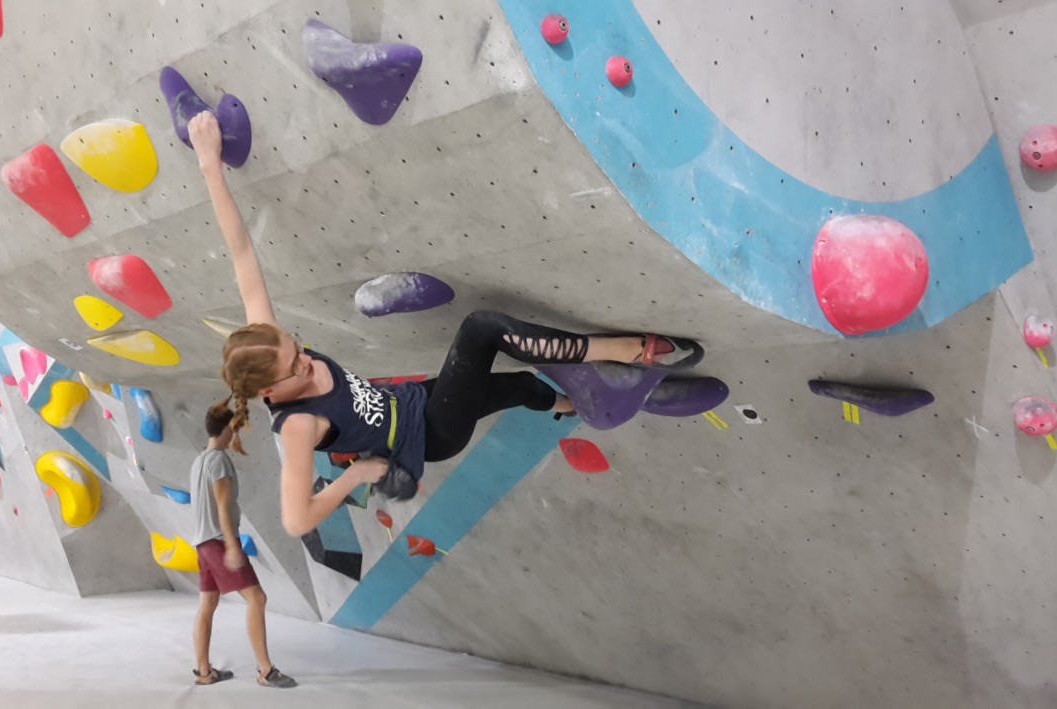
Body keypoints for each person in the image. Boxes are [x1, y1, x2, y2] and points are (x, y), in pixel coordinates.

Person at [189, 111, 702, 537]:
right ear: (270, 392)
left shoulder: (267, 351)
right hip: (430, 434)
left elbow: (242, 260)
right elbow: (295, 521)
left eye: (296, 346)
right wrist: (358, 476)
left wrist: (210, 165)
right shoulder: (297, 426)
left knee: (524, 386)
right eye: (296, 367)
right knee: (481, 329)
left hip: (417, 400)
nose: (305, 358)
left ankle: (598, 404)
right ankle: (623, 352)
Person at [189, 401, 296, 689]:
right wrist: (232, 547)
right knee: (257, 599)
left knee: (207, 604)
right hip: (219, 541)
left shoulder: (199, 460)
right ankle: (265, 670)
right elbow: (223, 507)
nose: (236, 432)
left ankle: (203, 671)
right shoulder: (219, 460)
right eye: (233, 427)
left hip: (201, 543)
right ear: (225, 429)